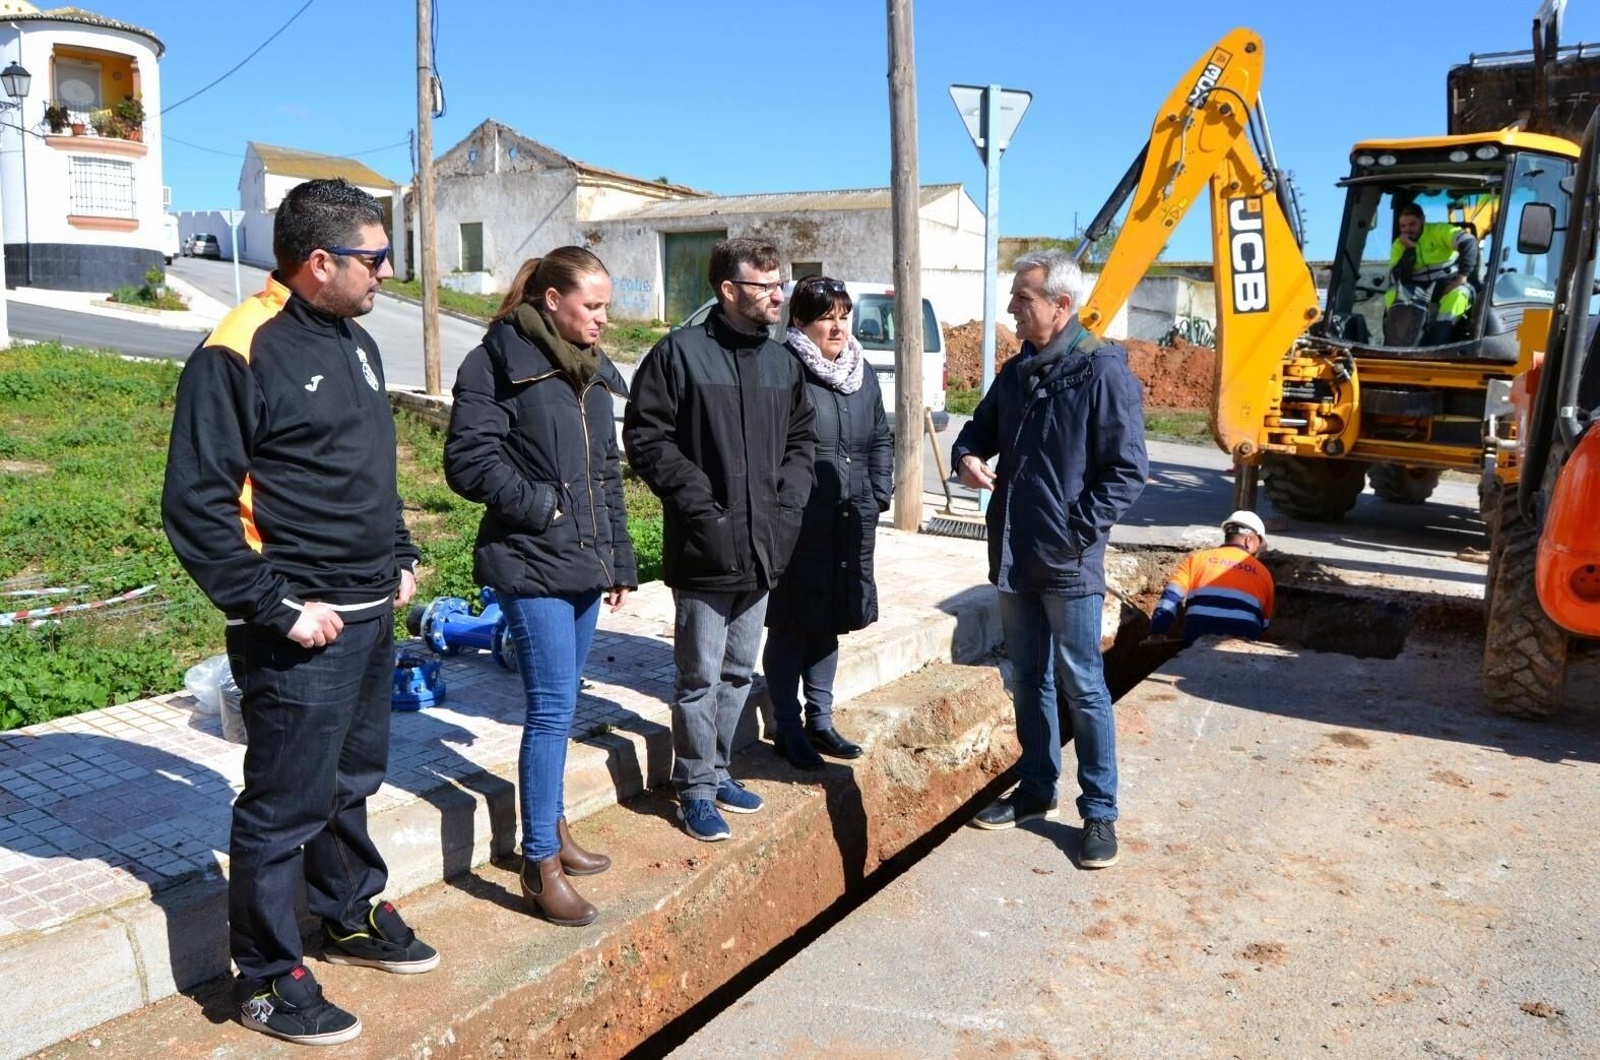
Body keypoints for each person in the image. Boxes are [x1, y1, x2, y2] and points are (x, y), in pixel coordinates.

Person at [162, 178, 436, 1047]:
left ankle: (347, 910)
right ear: (319, 262)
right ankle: (269, 977)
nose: (387, 270)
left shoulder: (355, 339)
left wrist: (396, 554)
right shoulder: (239, 349)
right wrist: (276, 607)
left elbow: (366, 465)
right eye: (373, 257)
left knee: (352, 781)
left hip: (368, 613)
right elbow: (196, 507)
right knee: (284, 805)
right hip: (301, 628)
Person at [443, 247, 636, 928]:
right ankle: (539, 863)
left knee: (564, 701)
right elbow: (467, 459)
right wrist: (541, 507)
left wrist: (617, 561)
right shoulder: (497, 360)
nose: (602, 320)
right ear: (552, 301)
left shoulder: (587, 371)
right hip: (530, 561)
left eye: (606, 307)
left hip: (582, 563)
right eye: (591, 306)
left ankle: (553, 829)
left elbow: (605, 474)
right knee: (551, 709)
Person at [951, 249, 1148, 870]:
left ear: (1061, 306)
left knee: (1084, 685)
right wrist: (967, 457)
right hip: (1013, 555)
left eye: (1022, 298)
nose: (1011, 308)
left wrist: (1074, 531)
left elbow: (1127, 471)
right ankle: (1036, 789)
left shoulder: (1102, 373)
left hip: (1067, 564)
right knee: (1028, 680)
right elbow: (975, 433)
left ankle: (1100, 813)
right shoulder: (1015, 375)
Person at [623, 238, 817, 842]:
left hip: (763, 550)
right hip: (704, 550)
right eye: (766, 286)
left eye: (779, 283)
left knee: (738, 673)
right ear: (730, 291)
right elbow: (648, 438)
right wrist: (700, 507)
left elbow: (802, 440)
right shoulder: (680, 355)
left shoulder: (783, 364)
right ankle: (694, 788)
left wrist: (788, 504)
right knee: (698, 677)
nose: (779, 295)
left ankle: (720, 768)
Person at [763, 276, 893, 770]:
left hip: (851, 514)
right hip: (800, 520)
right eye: (826, 317)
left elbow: (881, 436)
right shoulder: (783, 369)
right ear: (798, 321)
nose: (837, 326)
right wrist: (787, 504)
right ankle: (787, 725)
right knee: (792, 622)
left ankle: (821, 720)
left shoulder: (862, 373)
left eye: (843, 315)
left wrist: (879, 493)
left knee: (831, 620)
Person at [1147, 510, 1275, 647]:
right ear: (1249, 540)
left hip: (1196, 637)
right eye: (1258, 546)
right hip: (1242, 643)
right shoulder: (1264, 573)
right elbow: (1264, 624)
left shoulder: (1196, 560)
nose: (1257, 552)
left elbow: (1170, 597)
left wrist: (1158, 632)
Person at [1385, 202, 1479, 345]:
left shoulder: (1439, 231)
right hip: (1418, 288)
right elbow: (1399, 278)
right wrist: (1409, 250)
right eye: (1403, 226)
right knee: (1393, 294)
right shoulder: (1399, 245)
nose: (1407, 230)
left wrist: (1461, 279)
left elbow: (1469, 242)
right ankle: (1394, 347)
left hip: (1448, 284)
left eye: (1412, 224)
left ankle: (1439, 342)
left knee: (1458, 295)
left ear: (1422, 220)